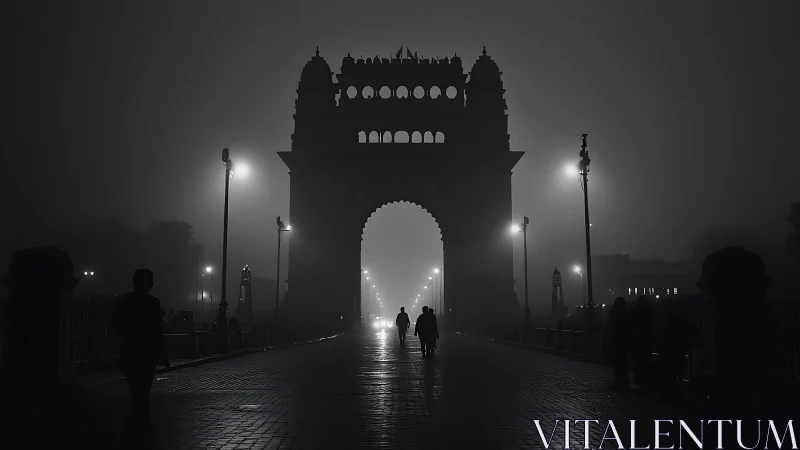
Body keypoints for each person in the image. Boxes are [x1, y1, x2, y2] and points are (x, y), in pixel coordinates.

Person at [114, 269, 170, 439]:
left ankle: (137, 420)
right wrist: (162, 355)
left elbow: (118, 326)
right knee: (143, 389)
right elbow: (156, 331)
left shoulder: (124, 301)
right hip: (146, 352)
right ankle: (140, 420)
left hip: (130, 351)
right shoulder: (153, 303)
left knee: (137, 389)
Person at [604, 297, 629, 388]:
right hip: (622, 340)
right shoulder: (625, 313)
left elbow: (609, 327)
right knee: (622, 360)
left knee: (617, 361)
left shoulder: (613, 313)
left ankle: (619, 378)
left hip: (615, 340)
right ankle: (623, 377)